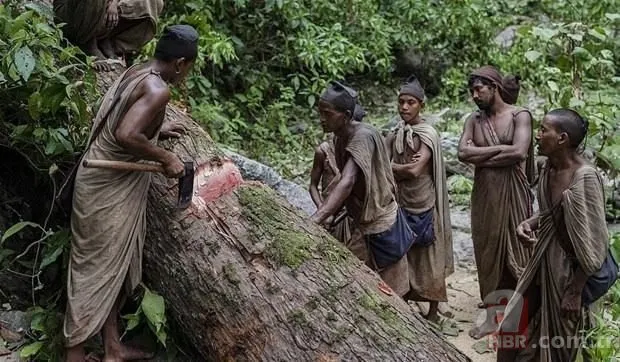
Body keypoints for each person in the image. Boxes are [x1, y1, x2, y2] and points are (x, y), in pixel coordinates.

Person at [64, 25, 198, 362]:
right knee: (93, 271)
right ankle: (74, 352)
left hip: (105, 177)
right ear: (181, 63)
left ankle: (113, 348)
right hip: (104, 184)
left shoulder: (139, 70)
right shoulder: (158, 90)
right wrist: (166, 157)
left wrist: (155, 127)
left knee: (114, 265)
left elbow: (127, 114)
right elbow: (125, 133)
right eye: (190, 68)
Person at [495, 108, 614, 361]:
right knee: (511, 324)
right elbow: (553, 212)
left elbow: (595, 241)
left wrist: (575, 290)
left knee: (563, 340)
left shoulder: (585, 178)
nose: (536, 136)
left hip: (570, 272)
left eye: (543, 130)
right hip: (543, 260)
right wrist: (530, 222)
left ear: (562, 139)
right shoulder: (548, 168)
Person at [310, 81, 412, 298]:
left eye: (327, 114)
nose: (321, 119)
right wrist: (329, 214)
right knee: (356, 283)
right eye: (320, 113)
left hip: (381, 224)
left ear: (346, 115)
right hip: (362, 223)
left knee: (392, 294)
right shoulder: (340, 137)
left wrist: (316, 219)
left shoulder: (363, 136)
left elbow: (347, 181)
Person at [457, 66, 535, 337]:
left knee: (516, 251)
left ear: (494, 87)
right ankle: (492, 317)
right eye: (472, 91)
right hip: (485, 196)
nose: (475, 95)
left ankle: (521, 318)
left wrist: (481, 154)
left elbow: (519, 152)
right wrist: (501, 149)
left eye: (479, 89)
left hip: (513, 194)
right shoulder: (473, 120)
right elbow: (462, 153)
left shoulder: (519, 115)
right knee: (488, 253)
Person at [385, 76, 454, 323]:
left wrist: (391, 167)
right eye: (401, 102)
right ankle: (404, 300)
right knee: (403, 252)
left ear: (421, 105)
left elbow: (414, 170)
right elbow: (388, 164)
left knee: (430, 255)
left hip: (424, 201)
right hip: (402, 201)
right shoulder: (395, 134)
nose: (404, 107)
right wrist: (397, 167)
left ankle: (434, 312)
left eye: (410, 102)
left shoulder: (427, 133)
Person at [53, 0, 164, 70]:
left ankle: (108, 39)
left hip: (101, 11)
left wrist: (114, 3)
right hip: (70, 15)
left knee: (154, 2)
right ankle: (87, 43)